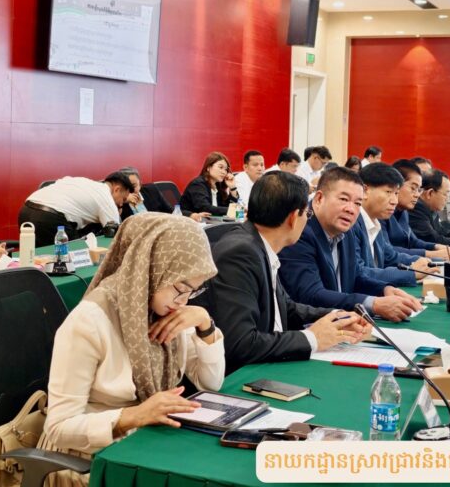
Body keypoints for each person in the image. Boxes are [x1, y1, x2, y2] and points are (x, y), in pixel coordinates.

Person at [41, 214, 224, 479]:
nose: (183, 300)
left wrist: (204, 323)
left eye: (193, 291)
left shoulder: (165, 309)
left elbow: (211, 383)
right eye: (181, 287)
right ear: (151, 267)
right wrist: (135, 415)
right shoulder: (90, 321)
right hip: (91, 459)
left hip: (147, 444)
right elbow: (59, 428)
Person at [198, 171, 369, 373]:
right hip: (243, 376)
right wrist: (313, 338)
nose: (307, 220)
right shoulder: (241, 253)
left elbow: (285, 308)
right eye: (307, 214)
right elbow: (241, 344)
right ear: (293, 218)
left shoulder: (258, 245)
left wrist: (336, 317)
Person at [278, 167, 422, 322]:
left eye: (358, 203)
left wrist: (384, 290)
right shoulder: (300, 230)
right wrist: (373, 304)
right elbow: (310, 294)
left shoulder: (346, 230)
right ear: (319, 198)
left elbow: (355, 276)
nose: (351, 209)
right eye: (344, 199)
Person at [355, 163, 430, 282]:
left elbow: (390, 256)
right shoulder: (352, 223)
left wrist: (428, 262)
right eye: (388, 192)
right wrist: (410, 273)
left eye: (396, 193)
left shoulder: (374, 221)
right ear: (365, 190)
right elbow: (359, 273)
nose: (394, 201)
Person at [19, 173, 133, 247]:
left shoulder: (83, 181)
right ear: (117, 189)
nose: (121, 204)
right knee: (77, 254)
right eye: (123, 199)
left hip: (26, 211)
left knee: (36, 258)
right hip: (49, 218)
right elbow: (117, 236)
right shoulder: (106, 197)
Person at [384, 159, 450, 259]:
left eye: (419, 190)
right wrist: (430, 254)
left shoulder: (404, 211)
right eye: (413, 188)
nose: (417, 195)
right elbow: (387, 251)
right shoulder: (381, 212)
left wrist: (436, 247)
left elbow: (413, 241)